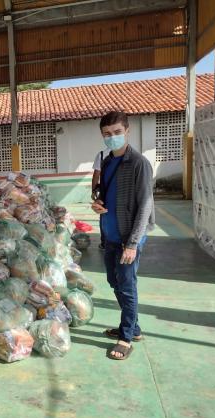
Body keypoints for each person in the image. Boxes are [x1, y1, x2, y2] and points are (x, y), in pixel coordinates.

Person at [91, 111, 154, 361]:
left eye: (117, 132)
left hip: (129, 238)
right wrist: (97, 202)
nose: (112, 137)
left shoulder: (138, 163)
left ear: (127, 131)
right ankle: (133, 327)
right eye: (107, 134)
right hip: (110, 236)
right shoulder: (107, 162)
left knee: (127, 286)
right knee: (114, 281)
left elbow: (145, 206)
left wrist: (132, 244)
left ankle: (126, 337)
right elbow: (102, 194)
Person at [92, 147, 111, 250]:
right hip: (121, 191)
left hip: (105, 192)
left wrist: (94, 191)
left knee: (104, 215)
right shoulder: (128, 153)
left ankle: (105, 243)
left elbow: (96, 175)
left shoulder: (102, 155)